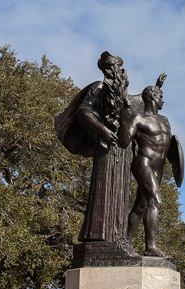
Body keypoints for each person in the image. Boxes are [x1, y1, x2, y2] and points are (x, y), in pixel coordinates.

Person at [55, 52, 136, 255]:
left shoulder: (122, 92)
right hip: (105, 147)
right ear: (110, 69)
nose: (122, 71)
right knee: (105, 189)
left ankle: (118, 236)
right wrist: (103, 130)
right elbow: (84, 111)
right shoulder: (98, 87)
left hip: (122, 150)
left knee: (120, 190)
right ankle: (99, 236)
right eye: (119, 67)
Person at [118, 75, 184, 257]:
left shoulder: (164, 120)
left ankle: (124, 243)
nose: (163, 100)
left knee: (141, 206)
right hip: (144, 163)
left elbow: (170, 146)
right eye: (161, 96)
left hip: (159, 168)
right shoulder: (138, 119)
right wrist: (124, 119)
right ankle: (150, 247)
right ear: (153, 98)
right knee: (156, 201)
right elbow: (124, 141)